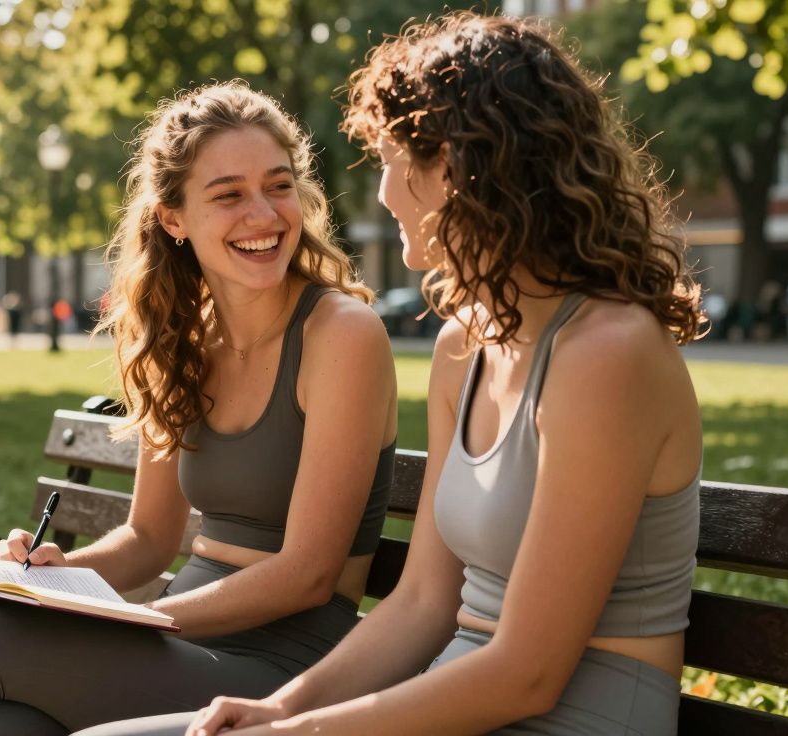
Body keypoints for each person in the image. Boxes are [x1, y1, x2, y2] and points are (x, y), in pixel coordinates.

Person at [84, 13, 707, 736]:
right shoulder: (462, 349)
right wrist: (280, 708)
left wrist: (300, 732)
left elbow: (528, 676)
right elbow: (420, 607)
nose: (378, 190)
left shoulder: (609, 354)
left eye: (387, 156)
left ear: (459, 165)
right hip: (454, 701)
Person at [0, 81, 398, 736]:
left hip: (285, 671)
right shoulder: (180, 338)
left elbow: (308, 575)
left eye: (279, 185)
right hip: (180, 639)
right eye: (229, 194)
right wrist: (58, 577)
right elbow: (149, 540)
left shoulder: (341, 334)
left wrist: (136, 619)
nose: (263, 214)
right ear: (174, 218)